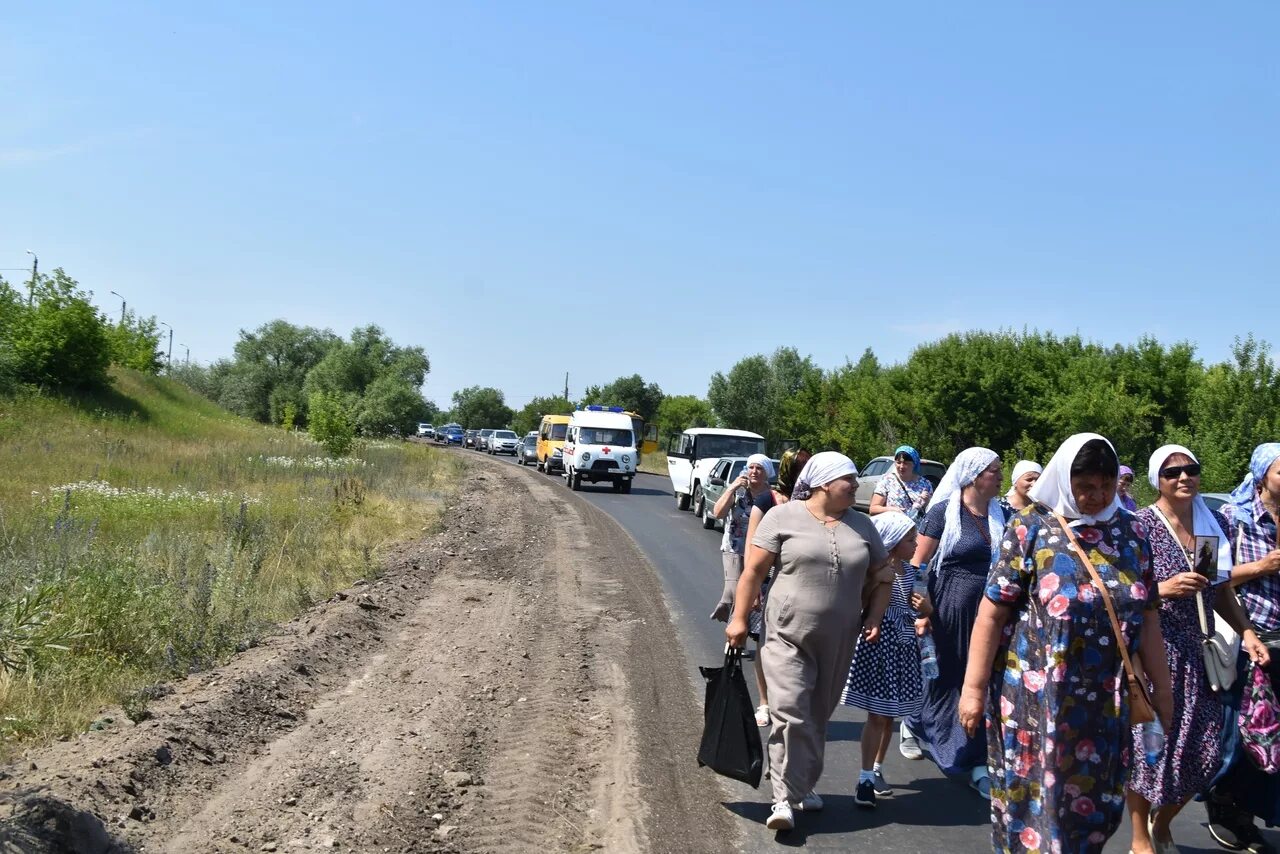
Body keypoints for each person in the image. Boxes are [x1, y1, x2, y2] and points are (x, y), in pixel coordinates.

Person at [959, 433, 1175, 854]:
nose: (1096, 496)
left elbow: (1147, 616)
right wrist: (972, 689)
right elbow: (992, 612)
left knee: (1094, 811)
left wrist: (1162, 693)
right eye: (1085, 487)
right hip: (1037, 702)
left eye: (1105, 486)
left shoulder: (1132, 534)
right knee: (1036, 813)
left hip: (1104, 705)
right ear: (1064, 480)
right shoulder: (1032, 527)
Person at [727, 452, 892, 831]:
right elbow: (753, 571)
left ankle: (803, 785)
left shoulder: (863, 526)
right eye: (848, 479)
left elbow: (884, 576)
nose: (855, 485)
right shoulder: (782, 517)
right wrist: (738, 618)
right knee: (790, 710)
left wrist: (875, 616)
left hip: (839, 638)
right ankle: (783, 798)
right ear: (823, 483)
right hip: (786, 633)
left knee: (818, 714)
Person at [1127, 445, 1268, 854]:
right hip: (1157, 647)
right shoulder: (1140, 526)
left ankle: (1164, 817)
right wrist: (1161, 590)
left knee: (1206, 751)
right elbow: (1121, 591)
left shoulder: (1211, 522)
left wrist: (1247, 632)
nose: (1184, 478)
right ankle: (1140, 837)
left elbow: (1220, 588)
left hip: (1199, 648)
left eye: (1191, 469)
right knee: (1149, 746)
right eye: (1173, 473)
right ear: (1158, 480)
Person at [900, 447, 1006, 798]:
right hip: (946, 607)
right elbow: (915, 565)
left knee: (979, 680)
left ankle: (975, 761)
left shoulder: (1000, 514)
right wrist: (919, 610)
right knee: (944, 675)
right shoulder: (944, 513)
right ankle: (914, 722)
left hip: (988, 610)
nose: (1000, 476)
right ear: (975, 475)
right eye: (994, 470)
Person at [1205, 443, 1280, 853]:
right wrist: (1260, 567)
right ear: (1262, 474)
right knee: (1241, 735)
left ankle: (1250, 811)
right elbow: (1203, 576)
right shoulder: (1227, 517)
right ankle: (1224, 804)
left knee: (1273, 737)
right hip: (1248, 637)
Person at [840, 512, 930, 808]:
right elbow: (859, 603)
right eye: (910, 539)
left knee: (890, 714)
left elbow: (918, 611)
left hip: (903, 650)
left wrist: (926, 609)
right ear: (892, 542)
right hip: (878, 647)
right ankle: (865, 776)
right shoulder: (876, 569)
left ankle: (877, 769)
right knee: (877, 714)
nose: (916, 544)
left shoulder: (912, 572)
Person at [709, 454, 775, 622]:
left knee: (755, 592)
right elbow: (718, 513)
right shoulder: (738, 491)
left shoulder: (772, 497)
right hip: (734, 548)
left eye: (759, 468)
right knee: (733, 590)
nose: (754, 472)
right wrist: (731, 488)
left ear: (766, 473)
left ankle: (745, 625)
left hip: (760, 550)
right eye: (751, 467)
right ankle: (734, 630)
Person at [870, 445, 934, 521]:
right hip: (894, 528)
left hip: (916, 530)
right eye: (898, 462)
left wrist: (926, 502)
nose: (901, 466)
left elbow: (932, 511)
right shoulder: (887, 480)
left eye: (906, 463)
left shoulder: (925, 484)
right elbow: (873, 509)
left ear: (914, 463)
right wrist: (893, 510)